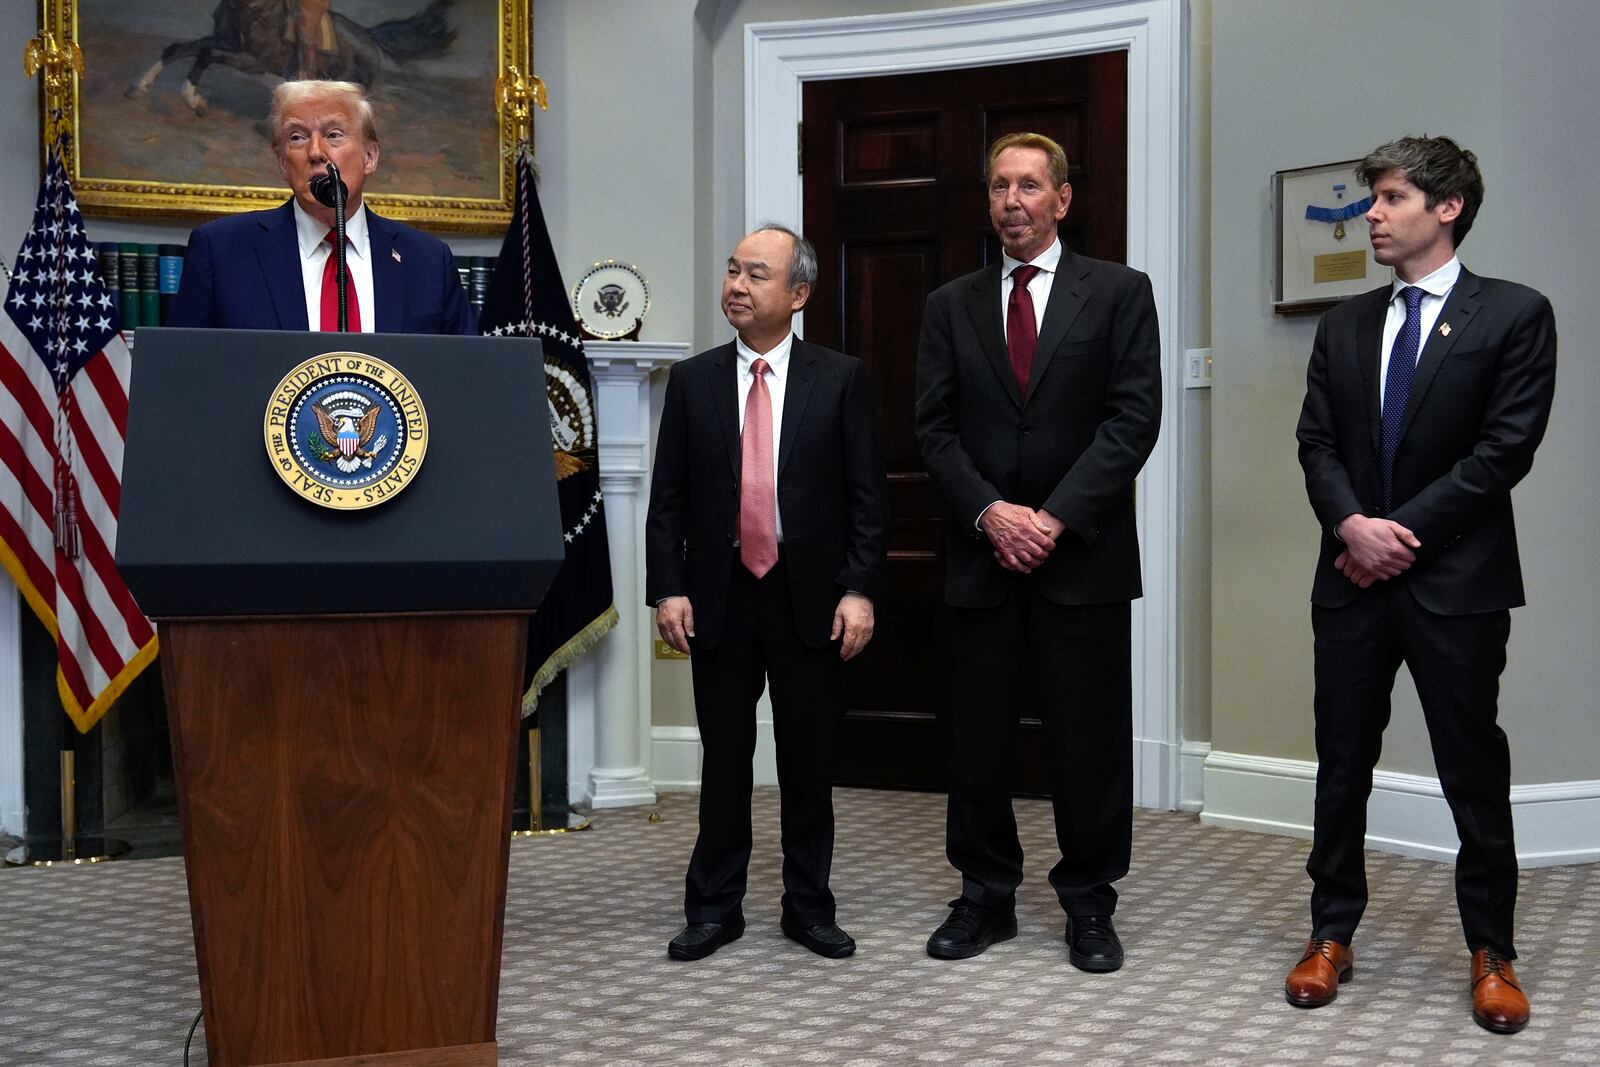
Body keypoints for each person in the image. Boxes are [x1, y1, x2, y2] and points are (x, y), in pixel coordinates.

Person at [1290, 136, 1556, 1034]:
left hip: (1458, 585)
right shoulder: (1344, 324)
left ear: (1447, 209)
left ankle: (1493, 950)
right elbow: (1316, 444)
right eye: (1374, 198)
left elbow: (1504, 450)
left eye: (1391, 197)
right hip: (1351, 580)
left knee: (1471, 772)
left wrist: (1397, 536)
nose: (1372, 212)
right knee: (1341, 765)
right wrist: (1351, 527)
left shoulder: (1515, 314)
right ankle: (1331, 933)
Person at [913, 133, 1161, 970]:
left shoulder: (1121, 293)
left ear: (1061, 199)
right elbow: (933, 428)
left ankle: (1090, 903)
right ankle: (984, 897)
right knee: (976, 740)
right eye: (997, 186)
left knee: (1087, 741)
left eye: (1028, 185)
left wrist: (1050, 519)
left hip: (1080, 555)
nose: (1011, 200)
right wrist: (991, 512)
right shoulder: (950, 304)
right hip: (983, 556)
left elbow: (1133, 421)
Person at [644, 225, 889, 961]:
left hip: (807, 594)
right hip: (720, 595)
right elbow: (669, 502)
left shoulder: (839, 378)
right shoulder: (693, 382)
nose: (737, 286)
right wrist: (669, 589)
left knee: (808, 761)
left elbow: (868, 498)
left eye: (756, 273)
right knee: (724, 760)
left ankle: (808, 905)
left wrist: (859, 589)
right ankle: (715, 906)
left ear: (799, 293)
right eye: (731, 270)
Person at [169, 79, 475, 335]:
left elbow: (462, 381)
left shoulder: (428, 261)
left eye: (333, 135)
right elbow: (183, 374)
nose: (316, 152)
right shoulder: (221, 251)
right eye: (298, 137)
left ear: (370, 157)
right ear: (282, 162)